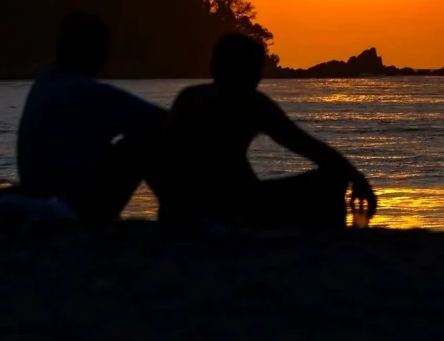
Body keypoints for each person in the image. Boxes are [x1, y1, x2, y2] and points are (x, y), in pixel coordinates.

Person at [161, 33, 377, 231]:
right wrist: (357, 179)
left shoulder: (189, 98)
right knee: (333, 177)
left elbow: (164, 157)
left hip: (193, 204)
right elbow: (308, 146)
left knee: (333, 174)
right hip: (237, 201)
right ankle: (333, 238)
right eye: (255, 68)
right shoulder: (251, 104)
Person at [17, 12, 165, 224]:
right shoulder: (85, 92)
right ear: (93, 50)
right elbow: (161, 119)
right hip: (78, 206)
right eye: (105, 48)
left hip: (39, 197)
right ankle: (181, 212)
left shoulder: (43, 84)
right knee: (146, 137)